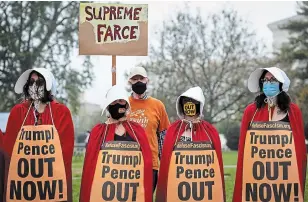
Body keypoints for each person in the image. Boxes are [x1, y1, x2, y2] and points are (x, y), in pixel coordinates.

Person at [233, 67, 307, 202]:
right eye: (265, 80)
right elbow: (244, 145)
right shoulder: (251, 110)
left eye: (272, 80)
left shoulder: (293, 111)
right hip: (258, 170)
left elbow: (299, 146)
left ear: (280, 84)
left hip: (284, 170)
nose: (268, 83)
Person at [2, 68, 74, 202]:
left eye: (39, 82)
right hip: (24, 181)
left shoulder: (61, 112)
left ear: (48, 86)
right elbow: (9, 149)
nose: (35, 85)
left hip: (51, 182)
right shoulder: (17, 112)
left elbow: (65, 151)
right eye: (31, 82)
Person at [79, 85, 153, 202]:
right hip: (106, 192)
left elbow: (146, 162)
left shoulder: (137, 130)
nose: (118, 104)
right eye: (114, 101)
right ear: (108, 106)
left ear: (127, 104)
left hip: (131, 191)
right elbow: (90, 165)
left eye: (121, 100)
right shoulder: (99, 131)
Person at [156, 86, 226, 202]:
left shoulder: (210, 131)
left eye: (193, 101)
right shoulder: (173, 130)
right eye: (186, 101)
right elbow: (166, 163)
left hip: (202, 186)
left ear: (199, 105)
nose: (189, 104)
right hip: (179, 186)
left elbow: (215, 165)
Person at [127, 66, 170, 191]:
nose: (138, 81)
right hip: (126, 162)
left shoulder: (158, 105)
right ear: (130, 81)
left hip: (150, 163)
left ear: (147, 80)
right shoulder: (123, 103)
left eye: (141, 78)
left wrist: (166, 163)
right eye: (135, 79)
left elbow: (163, 136)